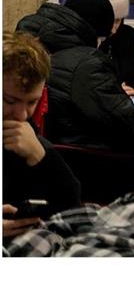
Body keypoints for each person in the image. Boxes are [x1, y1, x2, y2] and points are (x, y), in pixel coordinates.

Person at [15, 0, 134, 153]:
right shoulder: (86, 63)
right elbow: (131, 124)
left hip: (35, 150)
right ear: (93, 31)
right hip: (84, 160)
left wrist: (113, 93)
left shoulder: (26, 45)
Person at [3, 32, 81, 242]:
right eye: (9, 101)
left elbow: (73, 211)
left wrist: (41, 157)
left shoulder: (25, 135)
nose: (22, 115)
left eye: (31, 102)